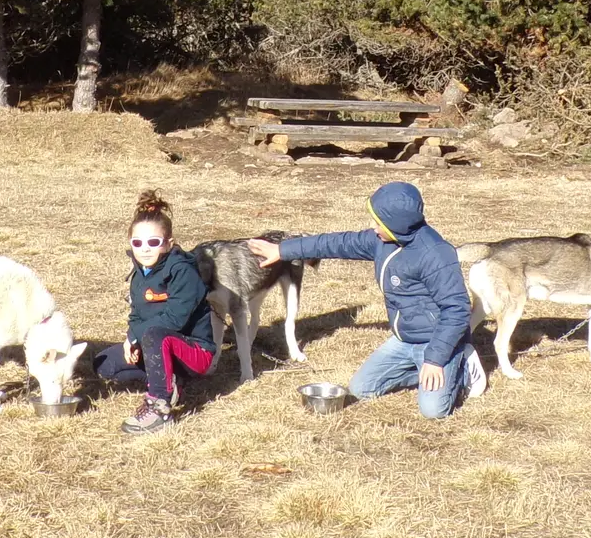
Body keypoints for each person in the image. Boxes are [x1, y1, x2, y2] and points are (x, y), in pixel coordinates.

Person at [247, 181, 484, 419]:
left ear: (396, 225)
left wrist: (434, 359)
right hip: (404, 339)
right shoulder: (382, 241)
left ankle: (462, 365)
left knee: (433, 411)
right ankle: (426, 370)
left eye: (378, 222)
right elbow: (336, 243)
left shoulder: (435, 253)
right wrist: (282, 250)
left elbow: (457, 309)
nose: (372, 226)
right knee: (362, 389)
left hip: (436, 341)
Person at [93, 191, 220, 435]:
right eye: (137, 243)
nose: (145, 249)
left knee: (153, 334)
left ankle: (159, 407)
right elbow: (137, 315)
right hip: (155, 343)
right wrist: (132, 336)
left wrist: (137, 337)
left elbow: (175, 319)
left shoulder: (183, 272)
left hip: (194, 351)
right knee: (104, 366)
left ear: (169, 244)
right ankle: (169, 380)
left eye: (153, 242)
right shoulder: (139, 273)